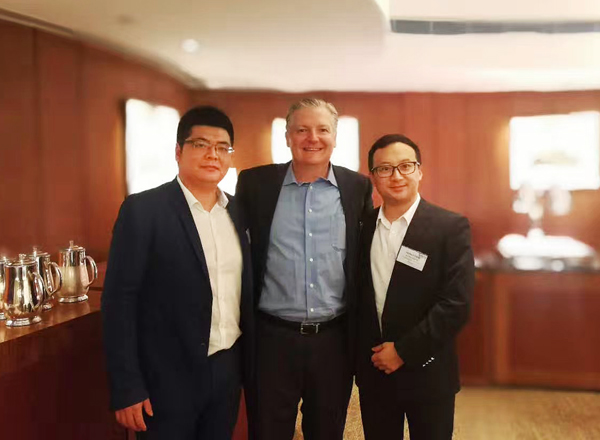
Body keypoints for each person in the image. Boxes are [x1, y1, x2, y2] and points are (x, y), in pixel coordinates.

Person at [101, 106, 254, 440]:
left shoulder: (239, 212)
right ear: (178, 151)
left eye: (222, 147)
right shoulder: (143, 210)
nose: (212, 155)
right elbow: (119, 302)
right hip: (165, 377)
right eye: (201, 144)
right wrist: (127, 386)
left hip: (226, 371)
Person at [235, 98, 372, 440]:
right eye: (302, 130)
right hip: (271, 341)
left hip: (334, 343)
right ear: (287, 136)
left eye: (322, 129)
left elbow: (365, 261)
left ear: (335, 137)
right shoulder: (255, 184)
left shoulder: (357, 188)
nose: (313, 138)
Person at [356, 134, 474, 440]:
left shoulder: (450, 227)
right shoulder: (361, 227)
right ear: (373, 177)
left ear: (419, 171)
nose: (396, 176)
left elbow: (456, 304)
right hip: (375, 371)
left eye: (406, 166)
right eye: (385, 169)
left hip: (429, 370)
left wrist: (403, 351)